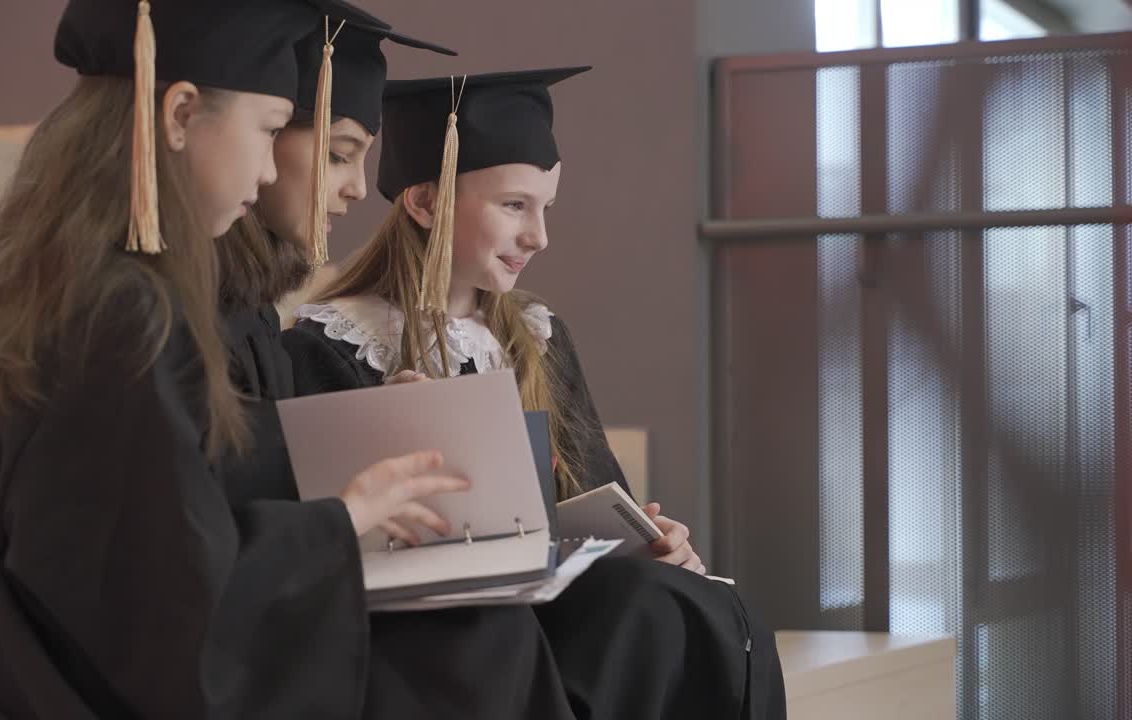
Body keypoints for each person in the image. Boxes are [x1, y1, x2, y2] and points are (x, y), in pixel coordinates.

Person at [0, 2, 506, 717]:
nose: (265, 164)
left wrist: (357, 440)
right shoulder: (122, 313)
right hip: (81, 687)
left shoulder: (113, 288)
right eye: (266, 129)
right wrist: (339, 524)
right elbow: (156, 600)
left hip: (93, 660)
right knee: (472, 647)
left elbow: (175, 508)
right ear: (181, 115)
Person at [281, 66, 789, 718]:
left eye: (546, 207)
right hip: (437, 637)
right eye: (514, 205)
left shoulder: (537, 336)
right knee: (645, 612)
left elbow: (597, 498)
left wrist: (656, 539)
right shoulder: (331, 344)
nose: (538, 236)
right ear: (426, 202)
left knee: (704, 605)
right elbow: (336, 541)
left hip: (557, 610)